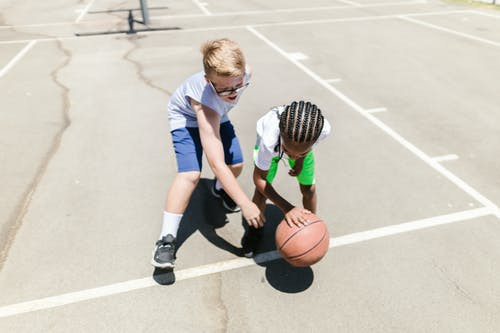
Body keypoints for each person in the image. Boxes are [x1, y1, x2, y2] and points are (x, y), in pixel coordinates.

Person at [152, 38, 264, 268]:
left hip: (218, 113)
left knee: (237, 165)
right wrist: (245, 202)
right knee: (191, 174)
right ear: (208, 80)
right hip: (187, 118)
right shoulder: (204, 100)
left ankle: (218, 189)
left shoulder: (244, 74)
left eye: (237, 85)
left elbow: (226, 165)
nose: (233, 93)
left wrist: (224, 95)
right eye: (224, 88)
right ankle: (166, 240)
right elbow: (215, 162)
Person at [241, 100, 331, 257]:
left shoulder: (322, 130)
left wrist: (301, 159)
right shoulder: (268, 140)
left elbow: (300, 149)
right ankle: (254, 231)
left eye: (299, 153)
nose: (293, 157)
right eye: (289, 152)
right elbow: (259, 178)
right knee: (261, 193)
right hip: (273, 151)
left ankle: (308, 225)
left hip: (297, 145)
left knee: (309, 190)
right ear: (281, 135)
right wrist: (287, 208)